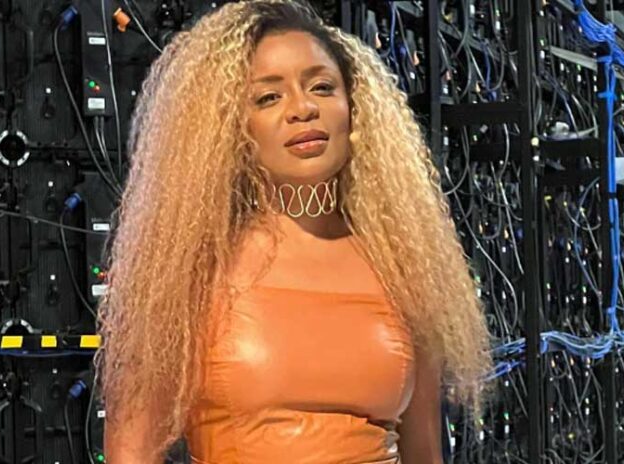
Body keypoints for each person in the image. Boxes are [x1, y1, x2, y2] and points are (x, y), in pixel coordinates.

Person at [95, 0, 493, 462]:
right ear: (228, 127)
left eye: (322, 87)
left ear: (355, 110)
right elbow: (131, 452)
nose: (303, 109)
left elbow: (424, 450)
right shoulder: (185, 271)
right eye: (268, 97)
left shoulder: (402, 268)